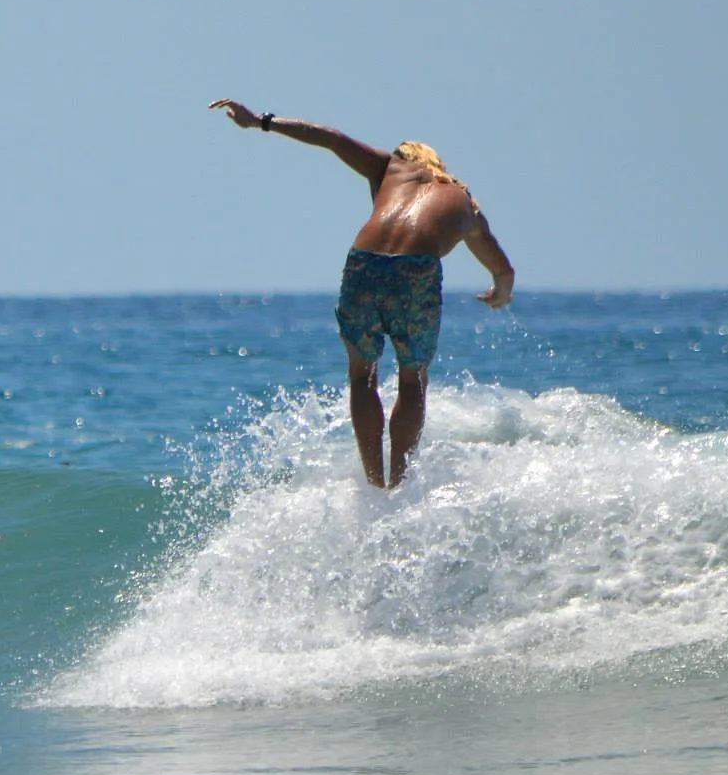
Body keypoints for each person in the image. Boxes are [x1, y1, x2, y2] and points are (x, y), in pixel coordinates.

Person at [208, 99, 515, 488]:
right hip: (416, 272)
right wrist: (500, 294)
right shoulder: (465, 204)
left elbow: (332, 138)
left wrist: (261, 122)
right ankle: (398, 484)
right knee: (412, 380)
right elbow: (504, 271)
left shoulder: (391, 167)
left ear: (408, 156)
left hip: (364, 264)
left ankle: (375, 484)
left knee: (362, 376)